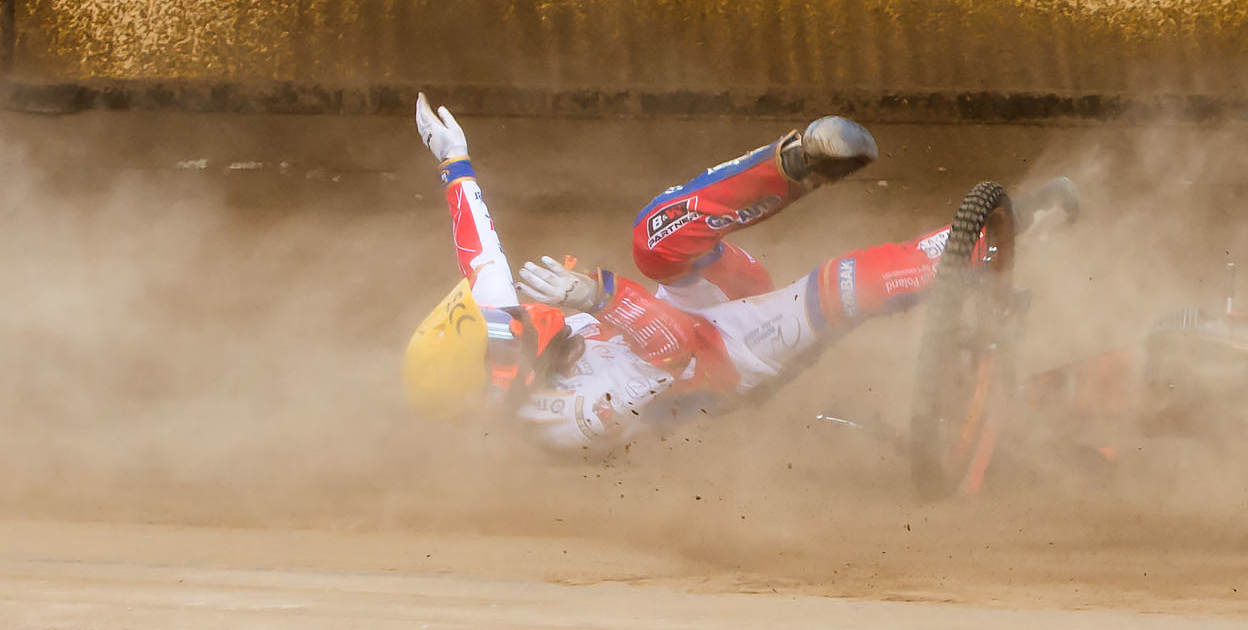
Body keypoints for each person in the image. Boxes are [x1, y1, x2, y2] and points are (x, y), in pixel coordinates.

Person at [402, 100, 957, 453]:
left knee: (656, 239)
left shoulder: (504, 336)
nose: (512, 321)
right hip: (728, 363)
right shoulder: (567, 422)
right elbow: (680, 352)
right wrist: (603, 297)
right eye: (499, 336)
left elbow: (481, 259)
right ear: (500, 377)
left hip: (691, 318)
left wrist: (454, 160)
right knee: (845, 282)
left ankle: (799, 161)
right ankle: (975, 249)